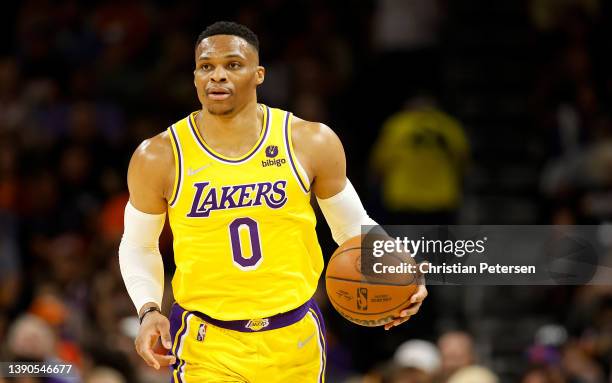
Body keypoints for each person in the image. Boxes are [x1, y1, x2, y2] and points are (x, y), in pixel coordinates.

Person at [118, 21, 428, 382]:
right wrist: (149, 310)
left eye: (233, 65)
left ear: (259, 74)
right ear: (195, 76)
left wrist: (400, 272)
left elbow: (351, 227)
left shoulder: (310, 141)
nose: (217, 76)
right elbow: (139, 244)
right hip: (208, 342)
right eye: (206, 66)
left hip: (295, 336)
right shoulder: (159, 156)